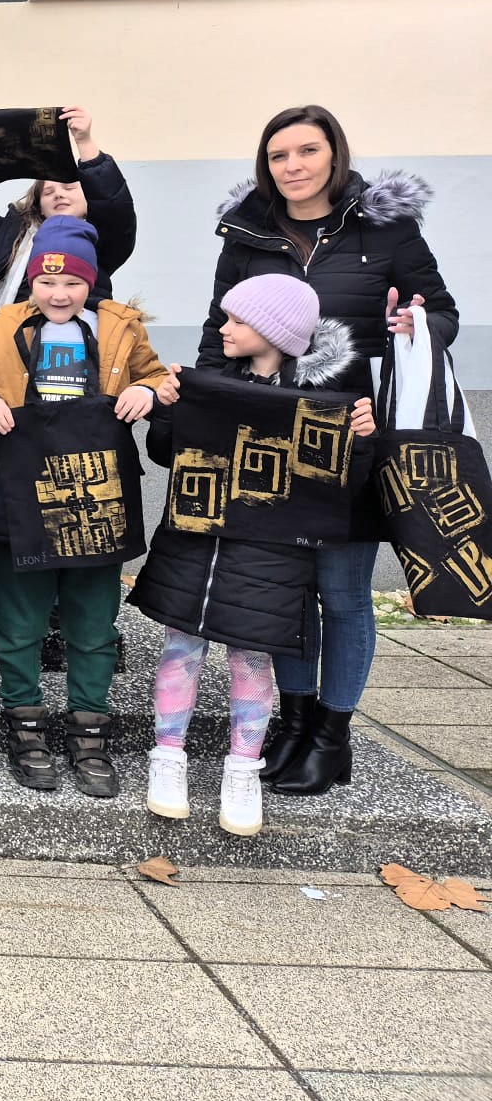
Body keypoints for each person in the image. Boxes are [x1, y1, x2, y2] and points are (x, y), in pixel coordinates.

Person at [199, 104, 455, 792]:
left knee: (342, 592)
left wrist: (417, 326)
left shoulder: (385, 228)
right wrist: (208, 406)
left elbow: (442, 311)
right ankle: (293, 724)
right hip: (271, 434)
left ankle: (331, 736)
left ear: (334, 154)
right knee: (288, 589)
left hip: (353, 435)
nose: (293, 167)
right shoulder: (245, 233)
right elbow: (218, 330)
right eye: (279, 156)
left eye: (307, 151)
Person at [133, 274, 375, 834]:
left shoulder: (319, 396)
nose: (223, 328)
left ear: (274, 331)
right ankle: (167, 758)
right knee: (180, 649)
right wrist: (167, 408)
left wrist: (360, 440)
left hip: (270, 557)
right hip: (195, 546)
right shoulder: (213, 381)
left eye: (237, 320)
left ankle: (243, 769)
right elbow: (167, 452)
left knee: (252, 657)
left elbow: (341, 484)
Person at [0, 216, 171, 799]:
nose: (58, 294)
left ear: (90, 281)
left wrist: (146, 390)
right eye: (46, 282)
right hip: (20, 486)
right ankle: (24, 724)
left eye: (72, 282)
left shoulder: (119, 328)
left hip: (97, 489)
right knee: (20, 620)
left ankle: (89, 729)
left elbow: (160, 378)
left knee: (94, 622)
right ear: (30, 281)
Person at [0, 106, 138, 308]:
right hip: (7, 331)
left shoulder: (100, 240)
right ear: (40, 206)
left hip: (74, 332)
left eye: (69, 188)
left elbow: (114, 209)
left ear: (89, 199)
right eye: (48, 192)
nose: (58, 194)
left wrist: (84, 141)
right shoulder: (12, 235)